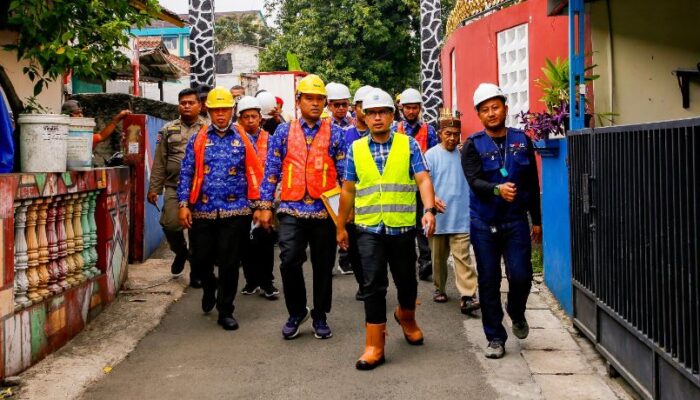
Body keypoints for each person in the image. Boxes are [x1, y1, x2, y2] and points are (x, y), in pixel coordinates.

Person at [336, 88, 437, 370]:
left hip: (401, 227)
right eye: (372, 113)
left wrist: (428, 210)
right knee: (372, 284)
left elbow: (423, 180)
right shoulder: (355, 149)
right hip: (367, 229)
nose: (377, 118)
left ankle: (406, 317)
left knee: (406, 281)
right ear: (365, 117)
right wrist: (341, 226)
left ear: (393, 115)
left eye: (383, 112)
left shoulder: (409, 145)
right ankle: (374, 345)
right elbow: (347, 191)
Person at [256, 74, 346, 340]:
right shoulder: (283, 131)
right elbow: (271, 170)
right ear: (299, 101)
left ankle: (320, 315)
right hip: (292, 209)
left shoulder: (336, 133)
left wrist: (346, 217)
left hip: (324, 211)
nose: (315, 104)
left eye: (320, 99)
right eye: (310, 98)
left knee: (323, 265)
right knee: (288, 260)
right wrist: (264, 205)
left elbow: (344, 175)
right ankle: (297, 312)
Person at [461, 83, 542, 359]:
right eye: (485, 109)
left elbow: (531, 182)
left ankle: (516, 310)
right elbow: (474, 181)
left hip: (515, 221)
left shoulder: (521, 140)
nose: (491, 113)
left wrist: (537, 220)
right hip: (484, 224)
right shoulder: (472, 145)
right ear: (479, 115)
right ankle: (495, 337)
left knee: (522, 276)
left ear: (505, 108)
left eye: (495, 107)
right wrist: (497, 189)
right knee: (489, 280)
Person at [177, 87, 255, 331]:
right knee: (200, 260)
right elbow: (187, 172)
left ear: (232, 111)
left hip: (236, 210)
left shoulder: (243, 138)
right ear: (208, 111)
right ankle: (210, 286)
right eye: (216, 110)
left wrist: (261, 205)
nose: (221, 115)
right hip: (203, 209)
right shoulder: (198, 138)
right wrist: (183, 204)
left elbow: (255, 171)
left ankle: (226, 310)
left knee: (230, 262)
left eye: (225, 109)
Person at [147, 88, 208, 286]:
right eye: (183, 103)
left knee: (198, 232)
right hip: (174, 186)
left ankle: (197, 273)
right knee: (170, 224)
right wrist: (154, 188)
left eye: (191, 102)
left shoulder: (208, 128)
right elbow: (159, 161)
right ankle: (180, 252)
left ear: (200, 105)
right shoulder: (168, 129)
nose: (187, 106)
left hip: (201, 189)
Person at [424, 115, 480, 314]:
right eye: (448, 134)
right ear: (440, 134)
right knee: (438, 259)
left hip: (461, 216)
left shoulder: (464, 155)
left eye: (456, 135)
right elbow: (423, 182)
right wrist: (432, 199)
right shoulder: (430, 155)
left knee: (463, 257)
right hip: (438, 219)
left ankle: (467, 295)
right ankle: (439, 288)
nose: (452, 138)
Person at [234, 96, 280, 300]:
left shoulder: (269, 139)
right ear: (240, 119)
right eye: (246, 117)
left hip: (264, 199)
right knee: (245, 242)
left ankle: (267, 282)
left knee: (265, 240)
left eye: (254, 116)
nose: (250, 120)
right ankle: (251, 281)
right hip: (241, 199)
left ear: (260, 118)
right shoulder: (234, 140)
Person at [392, 88, 439, 281]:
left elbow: (435, 157)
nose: (411, 111)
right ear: (401, 108)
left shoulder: (429, 130)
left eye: (415, 108)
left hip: (422, 185)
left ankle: (425, 261)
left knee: (422, 223)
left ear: (420, 108)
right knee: (406, 226)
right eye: (408, 108)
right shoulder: (395, 130)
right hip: (402, 186)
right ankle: (407, 261)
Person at [337, 85, 373, 294]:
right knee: (356, 249)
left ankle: (374, 283)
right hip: (351, 200)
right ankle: (363, 284)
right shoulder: (344, 135)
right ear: (355, 107)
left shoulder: (385, 135)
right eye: (361, 106)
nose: (365, 111)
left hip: (375, 202)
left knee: (374, 247)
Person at [61, 100, 131, 148]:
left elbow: (101, 136)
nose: (81, 116)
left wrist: (117, 119)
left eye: (81, 113)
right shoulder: (60, 134)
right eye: (77, 113)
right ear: (68, 116)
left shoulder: (83, 134)